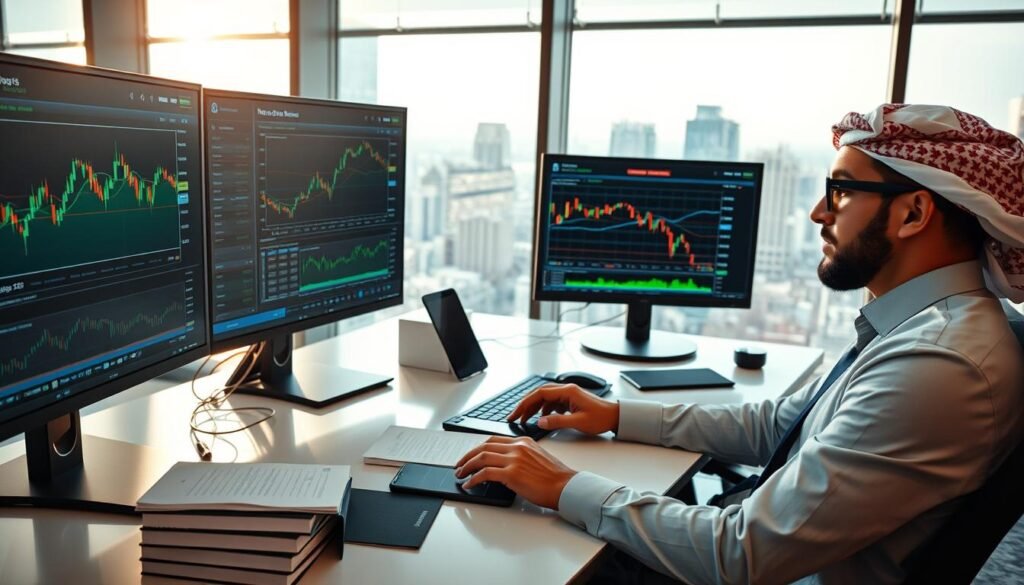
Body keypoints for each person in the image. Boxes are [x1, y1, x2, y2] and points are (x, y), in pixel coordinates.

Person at [455, 104, 1024, 585]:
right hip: (769, 551)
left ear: (915, 213)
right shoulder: (922, 327)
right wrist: (616, 414)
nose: (818, 212)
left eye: (841, 192)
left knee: (504, 558)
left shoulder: (939, 363)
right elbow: (782, 426)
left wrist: (562, 484)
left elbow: (739, 555)